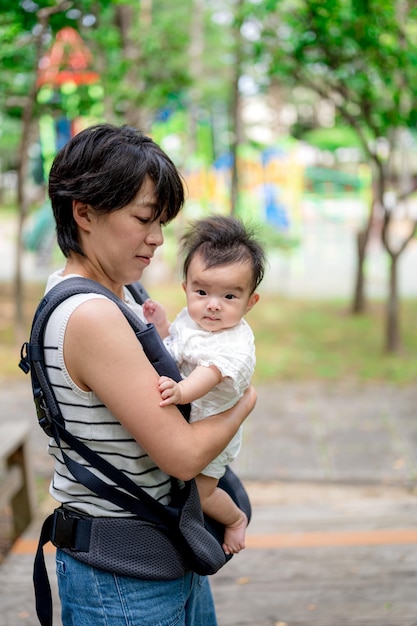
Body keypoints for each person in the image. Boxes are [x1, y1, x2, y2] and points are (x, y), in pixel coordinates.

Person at [42, 123, 256, 626]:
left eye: (161, 222)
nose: (157, 239)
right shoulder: (91, 314)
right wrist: (245, 402)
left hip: (163, 554)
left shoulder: (123, 296)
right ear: (85, 212)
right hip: (122, 579)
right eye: (143, 219)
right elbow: (182, 457)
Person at [143, 215, 265, 556]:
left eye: (229, 296)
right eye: (201, 291)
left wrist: (181, 391)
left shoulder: (235, 345)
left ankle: (235, 519)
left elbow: (207, 374)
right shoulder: (193, 318)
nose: (212, 304)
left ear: (250, 302)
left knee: (203, 489)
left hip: (214, 426)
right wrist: (162, 325)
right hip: (188, 422)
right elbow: (177, 344)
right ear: (186, 288)